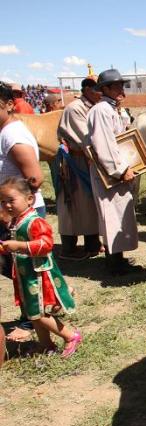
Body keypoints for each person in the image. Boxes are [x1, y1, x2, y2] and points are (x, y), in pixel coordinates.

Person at [0, 177, 81, 357]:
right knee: (32, 312)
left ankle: (70, 336)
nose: (7, 206)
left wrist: (19, 246)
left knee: (40, 313)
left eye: (11, 200)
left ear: (30, 199)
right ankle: (45, 344)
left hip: (39, 274)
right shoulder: (16, 221)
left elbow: (46, 245)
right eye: (2, 202)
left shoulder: (35, 221)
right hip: (25, 275)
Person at [0, 81, 47, 342]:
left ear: (9, 104)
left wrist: (12, 210)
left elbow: (35, 178)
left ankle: (31, 320)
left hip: (18, 215)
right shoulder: (5, 131)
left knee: (25, 269)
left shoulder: (13, 135)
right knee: (18, 267)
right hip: (12, 211)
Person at [87, 69, 142, 275]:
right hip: (109, 173)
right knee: (112, 214)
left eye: (122, 86)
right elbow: (104, 144)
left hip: (119, 170)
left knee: (120, 213)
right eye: (117, 86)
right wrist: (120, 170)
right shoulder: (101, 110)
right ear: (105, 89)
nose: (121, 89)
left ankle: (118, 258)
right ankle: (114, 262)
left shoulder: (113, 109)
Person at [55, 77, 103, 261]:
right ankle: (69, 248)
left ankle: (92, 244)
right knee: (72, 205)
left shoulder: (92, 107)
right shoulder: (75, 109)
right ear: (88, 90)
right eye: (99, 90)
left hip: (87, 160)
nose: (101, 93)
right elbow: (88, 138)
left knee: (90, 204)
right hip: (74, 163)